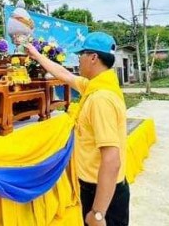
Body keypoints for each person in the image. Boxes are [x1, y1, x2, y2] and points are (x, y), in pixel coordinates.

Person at [25, 32, 129, 226]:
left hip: (102, 192)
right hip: (101, 188)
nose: (78, 59)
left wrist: (98, 213)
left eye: (80, 54)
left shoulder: (100, 100)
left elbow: (111, 160)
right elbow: (64, 74)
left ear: (93, 57)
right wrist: (36, 55)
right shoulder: (97, 86)